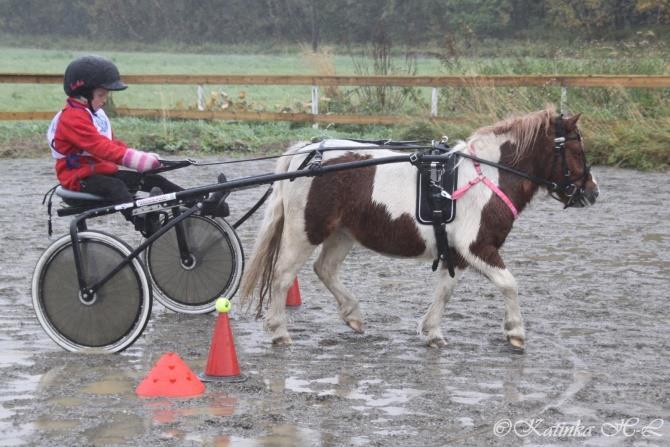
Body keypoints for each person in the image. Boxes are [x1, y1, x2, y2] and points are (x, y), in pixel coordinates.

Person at [47, 54, 183, 236]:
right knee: (117, 187)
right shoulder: (72, 118)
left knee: (154, 180)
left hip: (100, 173)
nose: (105, 100)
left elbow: (112, 143)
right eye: (101, 94)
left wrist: (144, 159)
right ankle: (141, 221)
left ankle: (197, 200)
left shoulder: (94, 114)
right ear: (83, 94)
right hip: (79, 178)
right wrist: (137, 161)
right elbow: (101, 147)